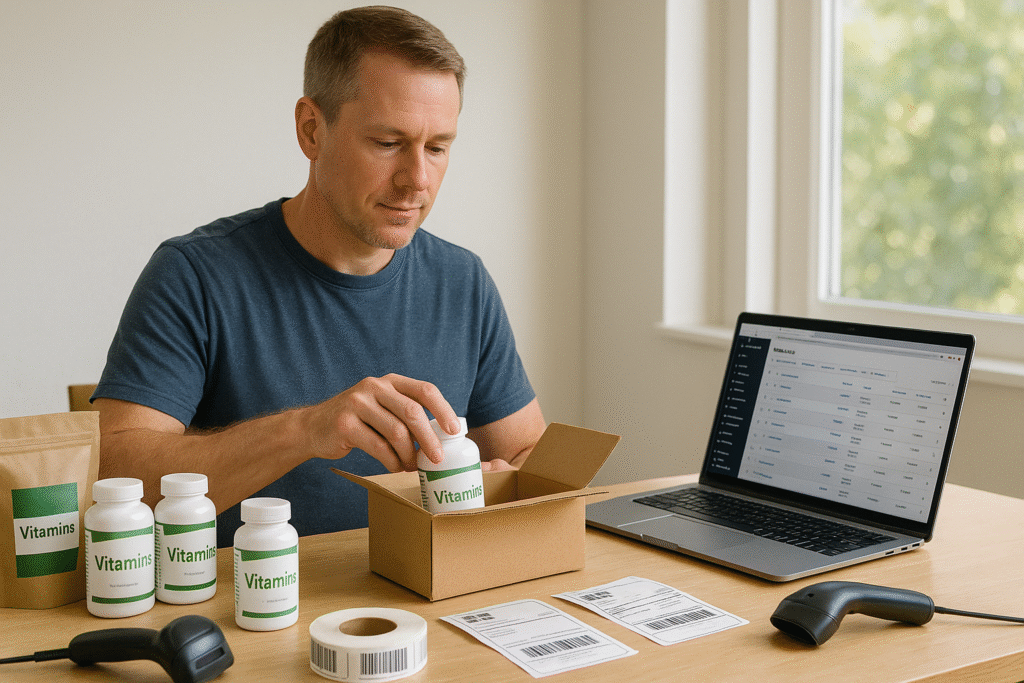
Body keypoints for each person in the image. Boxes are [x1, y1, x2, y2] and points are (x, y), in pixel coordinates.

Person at [92, 6, 546, 548]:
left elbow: (526, 453)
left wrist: (505, 482)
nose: (416, 181)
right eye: (387, 143)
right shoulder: (194, 275)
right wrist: (306, 430)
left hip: (418, 599)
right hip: (244, 608)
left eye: (438, 147)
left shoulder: (462, 281)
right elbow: (115, 477)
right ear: (312, 130)